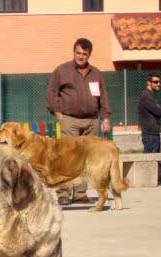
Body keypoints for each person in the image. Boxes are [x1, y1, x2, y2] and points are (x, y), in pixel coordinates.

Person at [46, 37, 111, 206]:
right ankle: (63, 194)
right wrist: (58, 113)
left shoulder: (96, 73)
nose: (80, 56)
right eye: (78, 53)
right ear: (73, 52)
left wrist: (105, 118)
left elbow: (103, 97)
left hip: (91, 121)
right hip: (70, 120)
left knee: (85, 159)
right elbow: (52, 92)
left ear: (89, 55)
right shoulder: (62, 70)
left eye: (84, 54)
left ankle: (81, 194)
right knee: (66, 157)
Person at [138, 73, 161, 186]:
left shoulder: (150, 95)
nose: (158, 84)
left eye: (159, 82)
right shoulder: (147, 95)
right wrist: (158, 108)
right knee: (152, 158)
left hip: (153, 132)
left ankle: (156, 179)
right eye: (155, 82)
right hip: (150, 133)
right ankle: (151, 181)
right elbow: (159, 111)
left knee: (155, 157)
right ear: (148, 82)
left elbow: (158, 111)